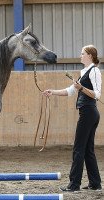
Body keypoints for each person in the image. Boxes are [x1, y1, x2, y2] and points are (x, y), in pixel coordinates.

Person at [43, 45, 102, 192]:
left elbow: (97, 95)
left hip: (89, 112)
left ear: (89, 55)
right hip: (89, 113)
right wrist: (53, 92)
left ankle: (74, 184)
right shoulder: (84, 72)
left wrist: (81, 88)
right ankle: (95, 183)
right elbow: (70, 91)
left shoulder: (94, 71)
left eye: (82, 54)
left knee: (78, 148)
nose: (80, 56)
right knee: (87, 150)